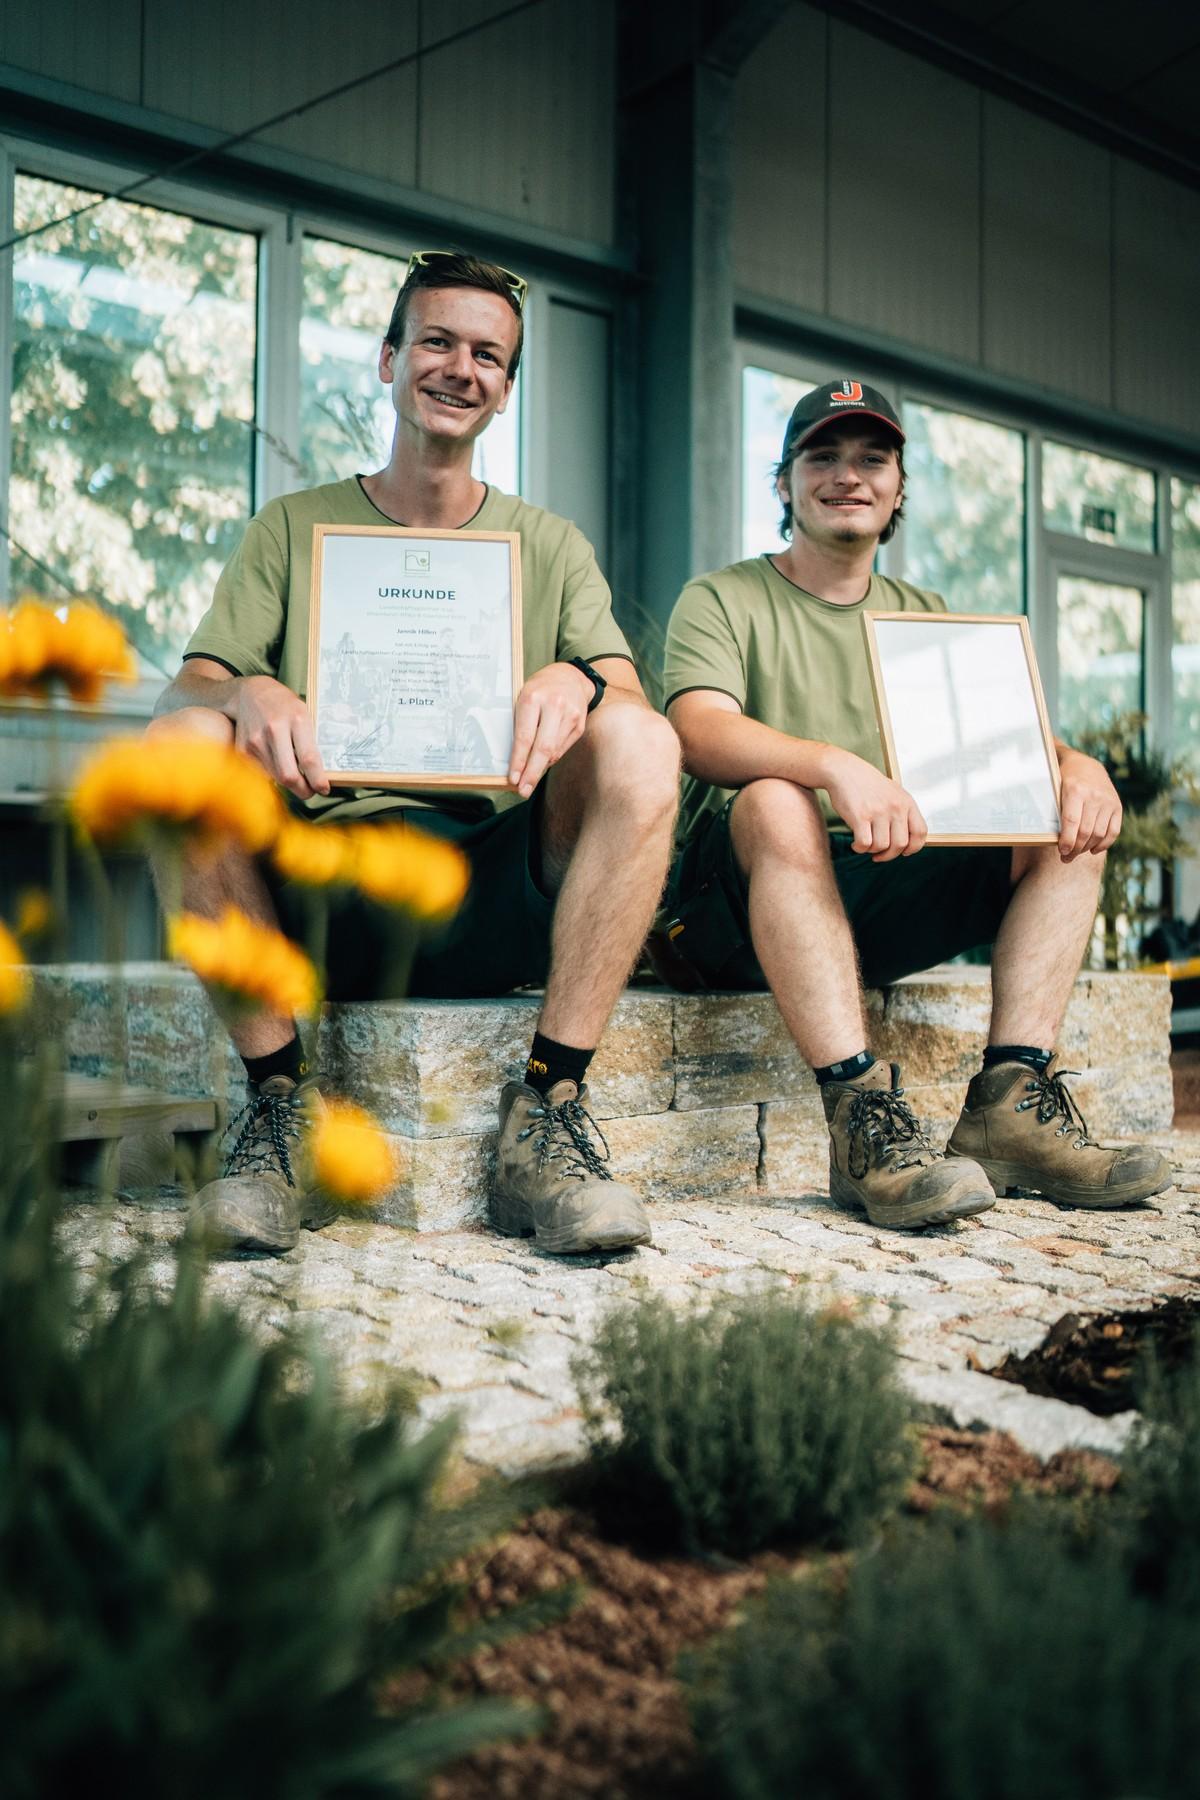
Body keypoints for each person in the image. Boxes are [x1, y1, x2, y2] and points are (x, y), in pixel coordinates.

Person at [148, 250, 680, 1257]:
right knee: (181, 740)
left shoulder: (550, 544)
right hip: (315, 883)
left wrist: (584, 679)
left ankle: (548, 1116)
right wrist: (247, 688)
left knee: (639, 737)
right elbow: (189, 690)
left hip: (492, 883)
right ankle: (279, 1116)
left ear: (506, 390)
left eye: (488, 354)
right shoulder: (291, 527)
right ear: (388, 360)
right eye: (436, 341)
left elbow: (636, 706)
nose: (459, 367)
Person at [654, 379, 1169, 1231]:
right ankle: (861, 1122)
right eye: (823, 455)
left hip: (869, 902)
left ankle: (1009, 1101)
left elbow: (1009, 756)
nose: (848, 475)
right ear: (782, 483)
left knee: (1062, 821)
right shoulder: (725, 597)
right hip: (734, 917)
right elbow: (698, 730)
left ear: (896, 489)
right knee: (777, 800)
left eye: (872, 459)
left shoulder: (929, 617)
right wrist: (831, 766)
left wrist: (1079, 766)